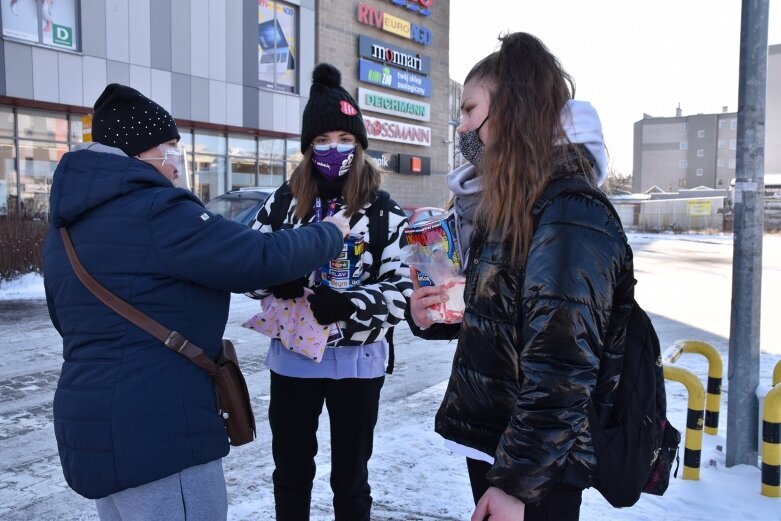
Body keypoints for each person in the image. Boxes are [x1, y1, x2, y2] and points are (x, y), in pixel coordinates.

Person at [43, 83, 350, 521]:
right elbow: (258, 257)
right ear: (139, 149)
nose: (176, 158)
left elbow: (64, 318)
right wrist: (330, 232)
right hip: (160, 431)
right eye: (169, 145)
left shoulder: (66, 227)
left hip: (90, 423)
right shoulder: (155, 210)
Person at [406, 32, 634, 521]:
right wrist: (438, 316)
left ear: (509, 110)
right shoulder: (512, 202)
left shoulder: (569, 210)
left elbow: (563, 366)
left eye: (469, 110)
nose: (462, 125)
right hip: (502, 444)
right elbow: (511, 317)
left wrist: (517, 484)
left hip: (536, 465)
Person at [245, 63, 412, 521]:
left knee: (351, 479)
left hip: (357, 363)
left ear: (359, 145)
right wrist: (276, 277)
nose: (332, 149)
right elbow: (247, 261)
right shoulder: (284, 199)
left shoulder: (380, 208)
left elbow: (402, 289)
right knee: (292, 472)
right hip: (295, 356)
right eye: (321, 141)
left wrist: (351, 305)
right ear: (307, 147)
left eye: (344, 140)